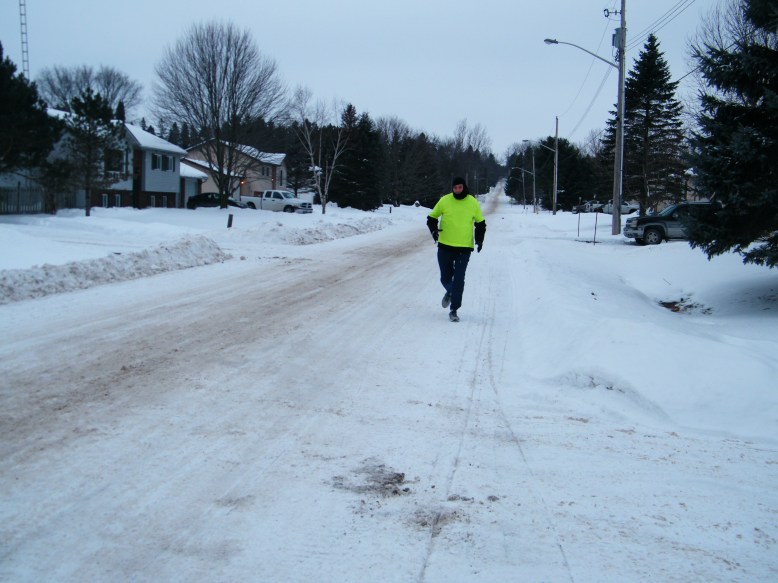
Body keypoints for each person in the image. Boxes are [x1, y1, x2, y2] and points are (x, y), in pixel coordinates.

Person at [426, 177, 486, 322]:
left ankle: (454, 310)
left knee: (459, 279)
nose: (457, 190)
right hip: (445, 245)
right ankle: (451, 291)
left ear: (464, 187)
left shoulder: (472, 202)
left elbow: (480, 223)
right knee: (445, 277)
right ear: (452, 188)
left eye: (459, 187)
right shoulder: (445, 200)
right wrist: (433, 230)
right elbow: (432, 217)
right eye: (455, 188)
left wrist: (479, 240)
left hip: (464, 247)